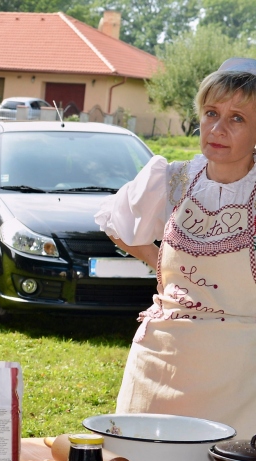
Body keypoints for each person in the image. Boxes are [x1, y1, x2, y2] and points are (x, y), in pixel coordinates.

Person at [94, 57, 256, 436]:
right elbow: (116, 220)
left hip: (239, 378)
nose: (218, 128)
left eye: (238, 119)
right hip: (160, 363)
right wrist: (155, 259)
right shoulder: (174, 178)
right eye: (211, 113)